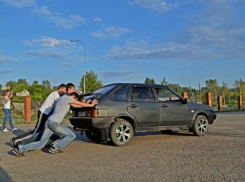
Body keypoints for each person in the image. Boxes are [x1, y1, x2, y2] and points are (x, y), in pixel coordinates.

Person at [12, 92, 98, 156]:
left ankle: (20, 149)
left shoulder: (61, 99)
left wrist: (88, 104)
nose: (74, 101)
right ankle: (54, 147)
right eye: (75, 99)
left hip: (49, 122)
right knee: (72, 135)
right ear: (73, 97)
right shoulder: (67, 98)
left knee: (41, 143)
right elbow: (79, 103)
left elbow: (77, 106)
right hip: (55, 123)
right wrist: (91, 104)